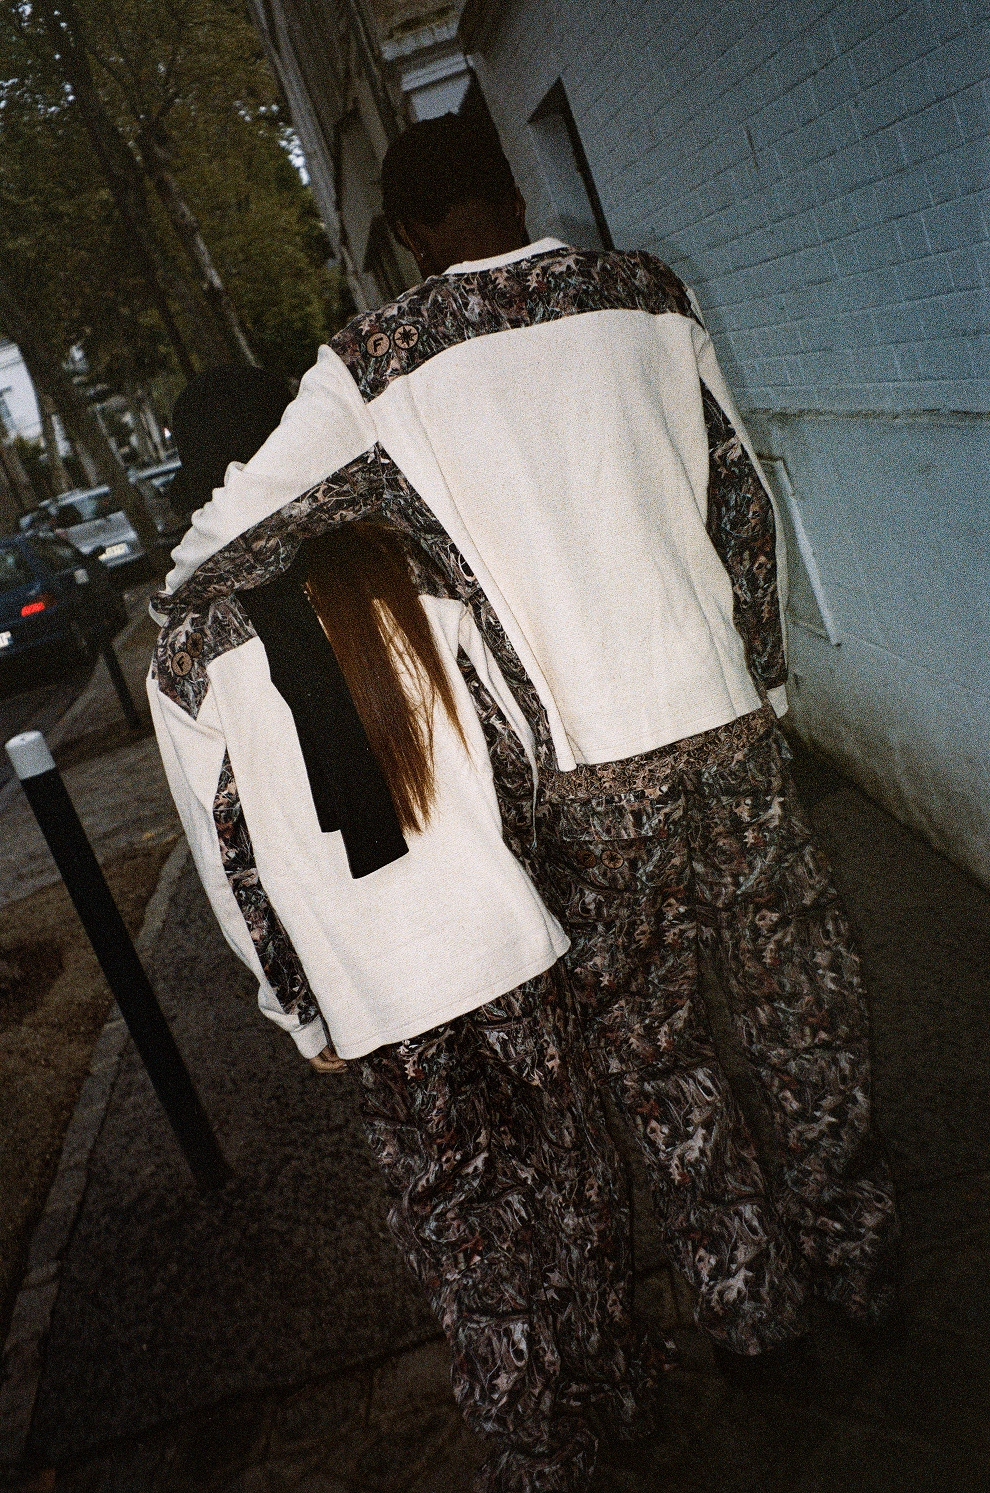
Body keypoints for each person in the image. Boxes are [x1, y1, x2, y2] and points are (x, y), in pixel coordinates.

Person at [160, 114, 897, 1367]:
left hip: (579, 778)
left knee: (661, 1061)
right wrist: (762, 689)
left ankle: (750, 1306)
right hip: (723, 726)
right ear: (514, 190)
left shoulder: (379, 362)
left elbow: (215, 547)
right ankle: (862, 1262)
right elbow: (740, 501)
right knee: (800, 1008)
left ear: (402, 234)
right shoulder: (645, 297)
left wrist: (345, 523)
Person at [150, 368, 662, 1493]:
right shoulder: (403, 562)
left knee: (466, 1226)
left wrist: (297, 1007)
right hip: (506, 941)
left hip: (381, 998)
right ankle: (626, 1383)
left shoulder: (189, 649)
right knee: (574, 1170)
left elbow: (227, 859)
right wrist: (536, 881)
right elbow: (520, 740)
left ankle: (542, 1453)